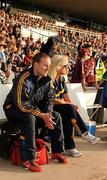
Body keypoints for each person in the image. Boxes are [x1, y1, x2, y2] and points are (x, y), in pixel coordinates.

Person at [3, 53, 67, 173]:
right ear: (36, 64)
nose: (48, 68)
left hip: (31, 110)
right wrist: (42, 115)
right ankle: (30, 159)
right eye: (45, 65)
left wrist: (47, 115)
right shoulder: (24, 78)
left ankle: (57, 151)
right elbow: (21, 105)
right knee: (30, 118)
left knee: (56, 116)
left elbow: (49, 100)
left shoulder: (46, 79)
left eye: (49, 66)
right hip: (13, 110)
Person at [49, 55, 101, 157]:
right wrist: (69, 105)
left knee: (68, 114)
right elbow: (52, 100)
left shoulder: (61, 80)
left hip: (60, 107)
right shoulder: (48, 80)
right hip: (48, 107)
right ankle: (84, 133)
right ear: (58, 67)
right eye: (66, 66)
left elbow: (66, 97)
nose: (69, 68)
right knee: (69, 108)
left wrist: (71, 105)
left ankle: (70, 147)